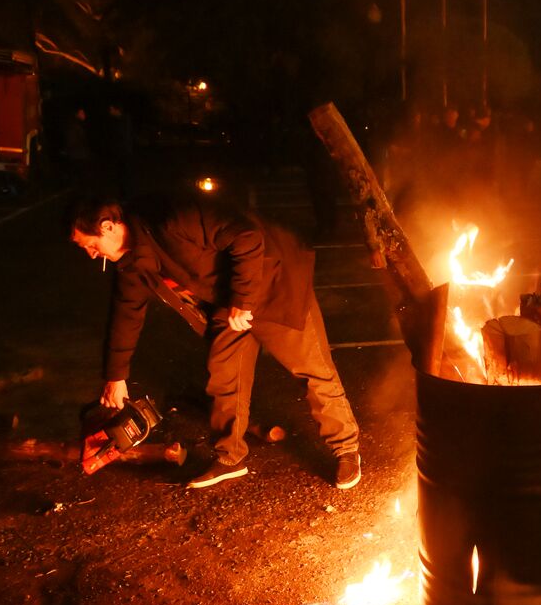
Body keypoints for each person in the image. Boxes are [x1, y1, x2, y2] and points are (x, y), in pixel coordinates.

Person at [67, 191, 363, 489]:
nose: (92, 254)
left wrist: (244, 300)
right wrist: (115, 376)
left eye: (91, 245)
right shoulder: (131, 263)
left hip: (273, 283)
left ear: (108, 226)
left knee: (311, 368)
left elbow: (247, 237)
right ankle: (230, 457)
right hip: (228, 302)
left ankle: (346, 448)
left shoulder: (171, 218)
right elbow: (126, 313)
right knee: (225, 375)